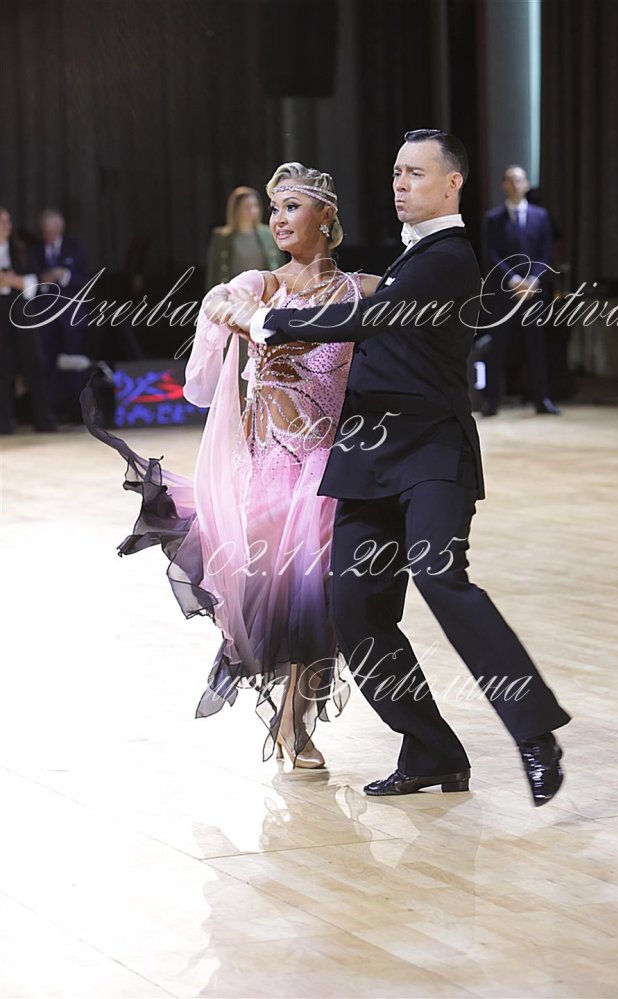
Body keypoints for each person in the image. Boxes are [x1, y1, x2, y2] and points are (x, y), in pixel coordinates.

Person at [224, 130, 571, 805]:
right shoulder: (411, 259)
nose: (400, 184)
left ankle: (535, 731)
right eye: (395, 173)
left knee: (442, 578)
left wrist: (271, 323)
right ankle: (431, 748)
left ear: (452, 183)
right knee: (355, 607)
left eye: (415, 173)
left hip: (431, 455)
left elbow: (371, 315)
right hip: (366, 460)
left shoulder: (450, 256)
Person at [81, 162, 378, 767]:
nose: (279, 219)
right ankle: (294, 725)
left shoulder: (365, 290)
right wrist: (226, 306)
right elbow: (216, 322)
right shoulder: (261, 286)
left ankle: (295, 721)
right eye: (275, 209)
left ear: (327, 215)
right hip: (269, 473)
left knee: (323, 603)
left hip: (331, 470)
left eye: (293, 207)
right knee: (286, 602)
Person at [483, 165, 560, 416]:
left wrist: (534, 279)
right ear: (504, 185)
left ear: (526, 185)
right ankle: (491, 401)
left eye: (519, 180)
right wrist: (514, 279)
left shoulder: (541, 216)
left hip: (534, 291)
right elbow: (492, 254)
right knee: (498, 345)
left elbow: (546, 252)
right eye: (510, 180)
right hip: (505, 291)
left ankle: (542, 399)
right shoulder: (493, 218)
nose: (515, 184)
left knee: (536, 346)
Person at [206, 188, 286, 402]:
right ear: (235, 209)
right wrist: (216, 306)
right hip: (236, 305)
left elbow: (279, 269)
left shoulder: (267, 235)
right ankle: (240, 404)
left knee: (265, 352)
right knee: (238, 356)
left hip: (264, 303)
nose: (251, 210)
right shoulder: (222, 237)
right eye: (246, 206)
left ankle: (264, 401)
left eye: (255, 205)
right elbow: (214, 275)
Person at [0, 206, 57, 434]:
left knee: (34, 364)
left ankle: (45, 421)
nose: (6, 225)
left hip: (21, 313)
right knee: (2, 368)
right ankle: (4, 423)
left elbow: (36, 284)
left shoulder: (21, 250)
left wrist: (13, 280)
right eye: (1, 221)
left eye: (8, 221)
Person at [33, 209, 91, 423]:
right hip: (44, 319)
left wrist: (64, 275)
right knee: (46, 364)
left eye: (52, 231)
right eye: (45, 232)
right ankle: (51, 413)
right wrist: (42, 280)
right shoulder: (35, 251)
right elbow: (29, 280)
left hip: (70, 317)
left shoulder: (74, 248)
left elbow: (86, 280)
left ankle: (77, 413)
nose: (48, 236)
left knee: (73, 364)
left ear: (60, 229)